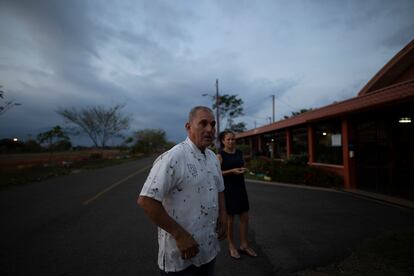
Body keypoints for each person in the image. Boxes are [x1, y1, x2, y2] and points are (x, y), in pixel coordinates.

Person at [138, 106, 227, 275]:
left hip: (208, 247)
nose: (210, 129)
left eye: (213, 124)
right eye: (203, 123)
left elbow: (220, 189)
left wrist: (223, 215)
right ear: (188, 127)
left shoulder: (213, 159)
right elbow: (146, 201)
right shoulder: (173, 157)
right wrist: (180, 235)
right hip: (181, 254)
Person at [217, 130, 257, 259]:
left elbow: (242, 166)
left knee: (245, 217)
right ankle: (231, 245)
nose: (231, 141)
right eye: (228, 139)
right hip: (228, 189)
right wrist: (232, 171)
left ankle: (244, 245)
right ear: (223, 141)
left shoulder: (239, 153)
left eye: (233, 139)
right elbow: (217, 174)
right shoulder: (220, 155)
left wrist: (242, 170)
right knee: (230, 220)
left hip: (240, 188)